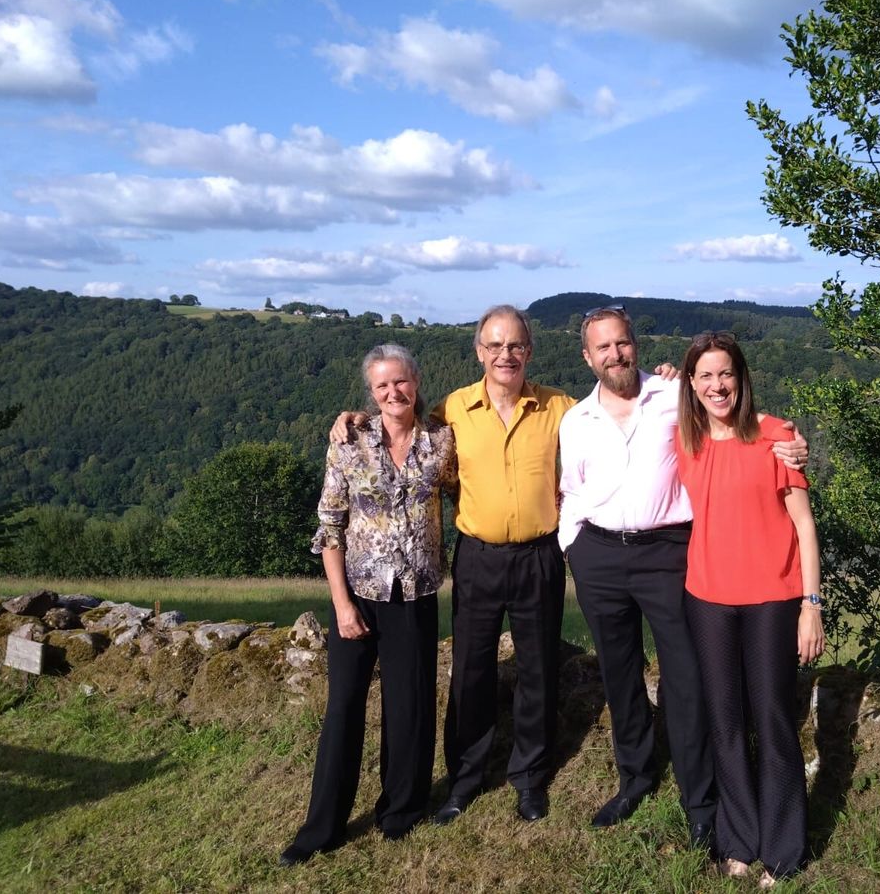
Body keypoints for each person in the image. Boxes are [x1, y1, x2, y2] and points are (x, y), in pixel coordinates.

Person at [558, 307, 809, 850]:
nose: (615, 354)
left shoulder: (675, 397)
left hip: (668, 553)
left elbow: (739, 418)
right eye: (602, 348)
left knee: (687, 679)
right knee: (619, 675)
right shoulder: (574, 420)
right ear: (588, 356)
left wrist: (790, 441)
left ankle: (700, 800)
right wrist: (572, 544)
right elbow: (570, 491)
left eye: (622, 343)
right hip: (598, 553)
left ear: (636, 345)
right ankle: (636, 779)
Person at [332, 305, 573, 824]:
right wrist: (354, 419)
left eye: (515, 345)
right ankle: (464, 780)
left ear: (529, 351)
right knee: (469, 672)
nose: (505, 354)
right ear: (479, 352)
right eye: (494, 345)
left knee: (538, 670)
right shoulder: (452, 410)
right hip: (478, 558)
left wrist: (661, 380)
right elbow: (400, 426)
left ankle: (529, 778)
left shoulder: (561, 407)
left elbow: (617, 413)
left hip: (539, 556)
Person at [279, 344, 456, 866]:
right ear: (370, 393)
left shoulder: (442, 442)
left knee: (411, 707)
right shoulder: (348, 443)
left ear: (416, 382)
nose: (392, 393)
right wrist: (341, 605)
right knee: (343, 710)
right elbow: (329, 528)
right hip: (357, 594)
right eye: (381, 386)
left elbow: (468, 493)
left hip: (416, 593)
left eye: (400, 382)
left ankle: (400, 812)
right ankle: (322, 828)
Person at [674, 331, 824, 887]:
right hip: (708, 597)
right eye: (705, 376)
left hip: (772, 599)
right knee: (726, 724)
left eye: (726, 374)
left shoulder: (776, 436)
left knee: (774, 720)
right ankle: (739, 841)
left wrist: (812, 605)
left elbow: (805, 525)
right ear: (692, 383)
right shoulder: (683, 440)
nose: (717, 385)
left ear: (741, 377)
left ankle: (784, 853)